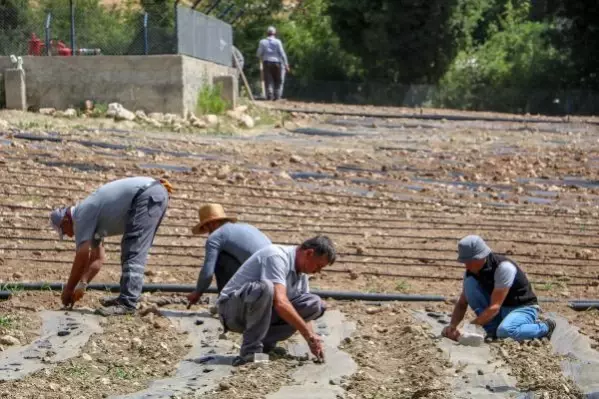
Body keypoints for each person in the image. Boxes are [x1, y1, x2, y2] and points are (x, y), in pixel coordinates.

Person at [49, 177, 172, 316]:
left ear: (66, 220)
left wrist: (69, 289)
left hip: (147, 195)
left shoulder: (80, 215)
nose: (69, 235)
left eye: (64, 231)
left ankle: (128, 303)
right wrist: (82, 285)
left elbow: (82, 256)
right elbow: (98, 259)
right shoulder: (90, 220)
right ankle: (125, 298)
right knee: (131, 246)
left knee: (133, 249)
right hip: (151, 194)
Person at [217, 235, 335, 366]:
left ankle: (265, 345)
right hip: (233, 311)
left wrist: (312, 340)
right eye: (318, 266)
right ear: (309, 253)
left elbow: (302, 315)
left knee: (314, 304)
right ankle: (250, 352)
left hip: (260, 313)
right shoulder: (276, 256)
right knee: (265, 288)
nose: (317, 271)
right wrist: (308, 334)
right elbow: (280, 302)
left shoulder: (302, 272)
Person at [442, 235, 556, 342]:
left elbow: (494, 307)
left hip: (522, 308)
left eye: (469, 262)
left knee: (506, 331)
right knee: (470, 284)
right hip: (500, 310)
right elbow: (462, 303)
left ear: (480, 257)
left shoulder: (504, 268)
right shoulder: (471, 272)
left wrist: (469, 328)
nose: (466, 266)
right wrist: (452, 326)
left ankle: (545, 327)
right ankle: (492, 330)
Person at [186, 203, 271, 307]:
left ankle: (226, 305)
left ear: (211, 224)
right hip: (273, 275)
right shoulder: (248, 227)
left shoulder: (216, 236)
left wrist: (198, 292)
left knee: (220, 259)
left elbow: (207, 273)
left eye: (206, 227)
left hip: (260, 281)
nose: (207, 232)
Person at [256, 26, 289, 101]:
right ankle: (277, 96)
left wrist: (262, 56)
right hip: (277, 63)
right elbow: (282, 53)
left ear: (267, 33)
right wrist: (286, 64)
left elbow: (258, 54)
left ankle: (269, 95)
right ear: (275, 33)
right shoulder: (278, 42)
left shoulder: (262, 42)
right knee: (278, 80)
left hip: (267, 62)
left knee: (268, 79)